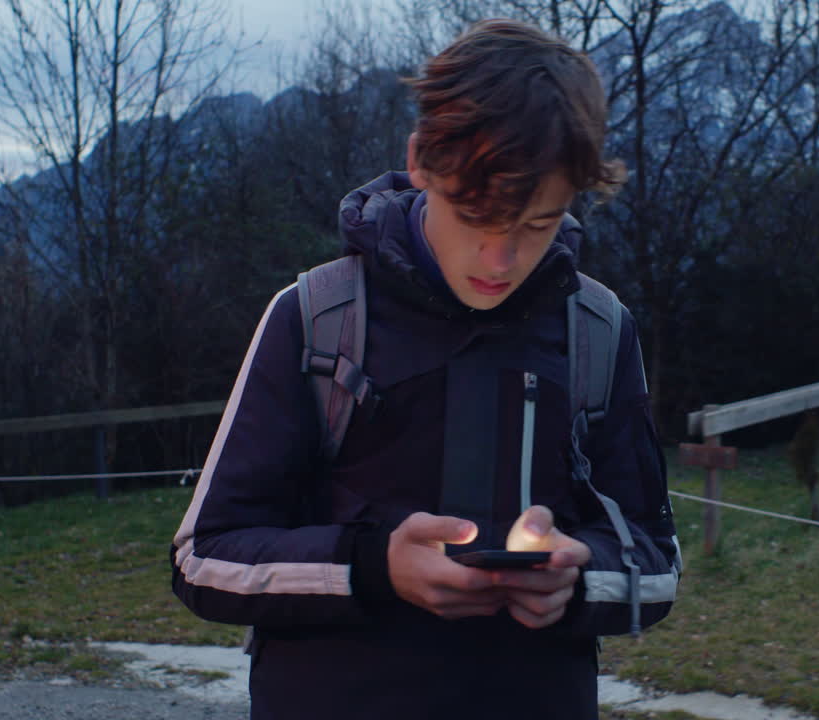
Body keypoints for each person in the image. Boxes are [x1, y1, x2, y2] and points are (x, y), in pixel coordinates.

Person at [170, 18, 680, 720]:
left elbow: (657, 563)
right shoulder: (316, 317)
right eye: (475, 216)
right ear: (422, 163)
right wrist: (374, 567)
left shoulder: (597, 330)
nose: (499, 259)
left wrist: (578, 577)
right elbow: (205, 559)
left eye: (536, 225)